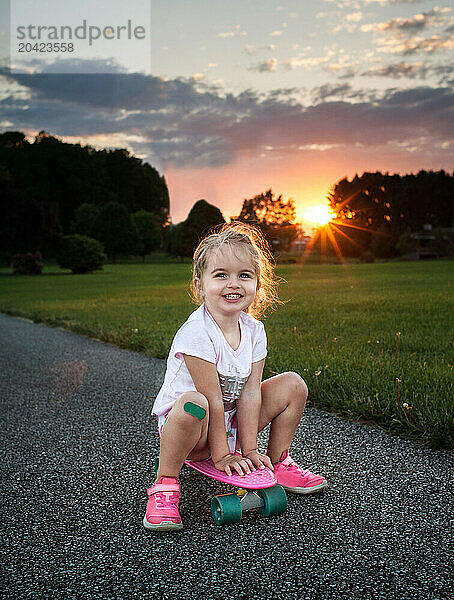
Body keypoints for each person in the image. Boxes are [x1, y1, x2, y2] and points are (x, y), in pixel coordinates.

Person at [144, 223, 327, 531]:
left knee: (293, 384)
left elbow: (251, 392)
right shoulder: (196, 333)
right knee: (194, 402)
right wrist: (222, 456)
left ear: (258, 283)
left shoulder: (254, 330)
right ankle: (165, 485)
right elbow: (213, 398)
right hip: (192, 430)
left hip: (228, 422)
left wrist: (249, 450)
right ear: (200, 284)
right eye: (221, 275)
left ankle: (278, 461)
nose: (234, 284)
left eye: (245, 275)